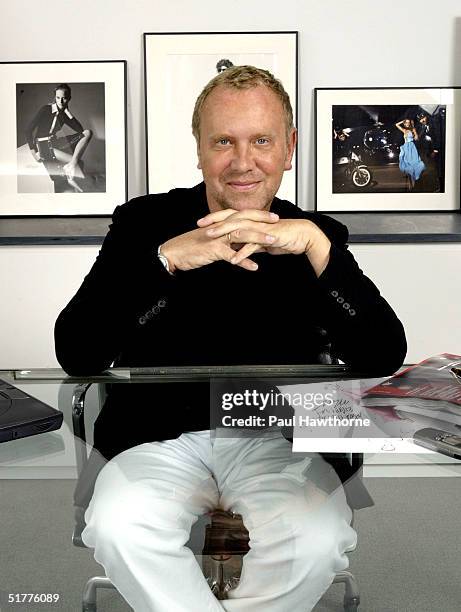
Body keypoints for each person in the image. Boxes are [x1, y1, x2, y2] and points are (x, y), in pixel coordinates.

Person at [55, 66, 406, 612]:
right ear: (199, 150)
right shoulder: (142, 224)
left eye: (262, 140)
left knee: (317, 541)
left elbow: (384, 354)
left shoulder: (316, 235)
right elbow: (75, 351)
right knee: (119, 526)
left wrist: (316, 251)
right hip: (154, 437)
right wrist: (167, 260)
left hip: (277, 440)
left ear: (289, 148)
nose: (244, 162)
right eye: (224, 141)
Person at [25, 83, 93, 193]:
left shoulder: (64, 114)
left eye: (64, 98)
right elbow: (28, 130)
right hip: (43, 146)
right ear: (54, 97)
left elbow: (80, 130)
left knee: (87, 133)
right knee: (79, 166)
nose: (60, 101)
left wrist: (67, 111)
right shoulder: (45, 109)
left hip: (55, 143)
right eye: (57, 98)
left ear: (69, 98)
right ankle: (71, 172)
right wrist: (34, 152)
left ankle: (71, 165)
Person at [395, 118, 425, 190]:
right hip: (405, 148)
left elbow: (417, 138)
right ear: (405, 124)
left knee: (414, 163)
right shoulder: (404, 130)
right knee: (407, 164)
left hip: (412, 147)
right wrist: (403, 121)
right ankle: (410, 184)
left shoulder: (413, 129)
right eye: (406, 123)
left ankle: (414, 183)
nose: (407, 124)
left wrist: (416, 136)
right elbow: (396, 124)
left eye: (408, 122)